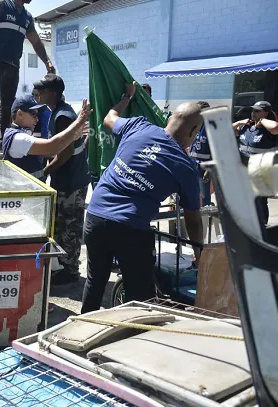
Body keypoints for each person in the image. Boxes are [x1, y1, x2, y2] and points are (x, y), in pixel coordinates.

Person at [81, 82, 204, 314]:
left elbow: (109, 117)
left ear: (169, 120)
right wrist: (201, 254)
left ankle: (79, 331)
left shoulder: (138, 126)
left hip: (96, 215)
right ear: (192, 132)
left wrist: (127, 98)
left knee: (95, 279)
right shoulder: (185, 167)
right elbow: (194, 219)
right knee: (139, 294)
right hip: (131, 228)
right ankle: (134, 340)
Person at [0, 0, 55, 156]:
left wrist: (46, 61)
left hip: (13, 64)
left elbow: (35, 42)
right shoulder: (1, 4)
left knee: (7, 105)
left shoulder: (27, 16)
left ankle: (3, 142)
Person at [34, 74, 91, 285]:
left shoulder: (62, 116)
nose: (38, 94)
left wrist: (45, 171)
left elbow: (64, 154)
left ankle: (70, 271)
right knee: (61, 225)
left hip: (72, 181)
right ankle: (63, 266)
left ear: (54, 94)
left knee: (70, 226)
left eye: (42, 91)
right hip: (66, 179)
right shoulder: (56, 112)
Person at [2, 95, 91, 180]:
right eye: (33, 114)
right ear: (20, 114)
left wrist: (72, 136)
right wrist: (79, 121)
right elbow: (51, 148)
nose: (37, 119)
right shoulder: (18, 138)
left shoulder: (18, 136)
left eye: (37, 115)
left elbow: (52, 151)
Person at [232, 100, 278, 225]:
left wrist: (262, 121)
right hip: (243, 171)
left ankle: (262, 226)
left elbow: (276, 128)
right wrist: (239, 122)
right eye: (253, 110)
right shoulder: (247, 127)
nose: (253, 113)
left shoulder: (268, 129)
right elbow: (226, 130)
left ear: (266, 113)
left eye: (258, 111)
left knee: (259, 202)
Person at [189, 101, 213, 207]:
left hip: (204, 165)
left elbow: (216, 150)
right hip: (191, 162)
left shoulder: (211, 128)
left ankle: (206, 217)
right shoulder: (193, 124)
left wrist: (209, 169)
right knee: (190, 192)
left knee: (204, 195)